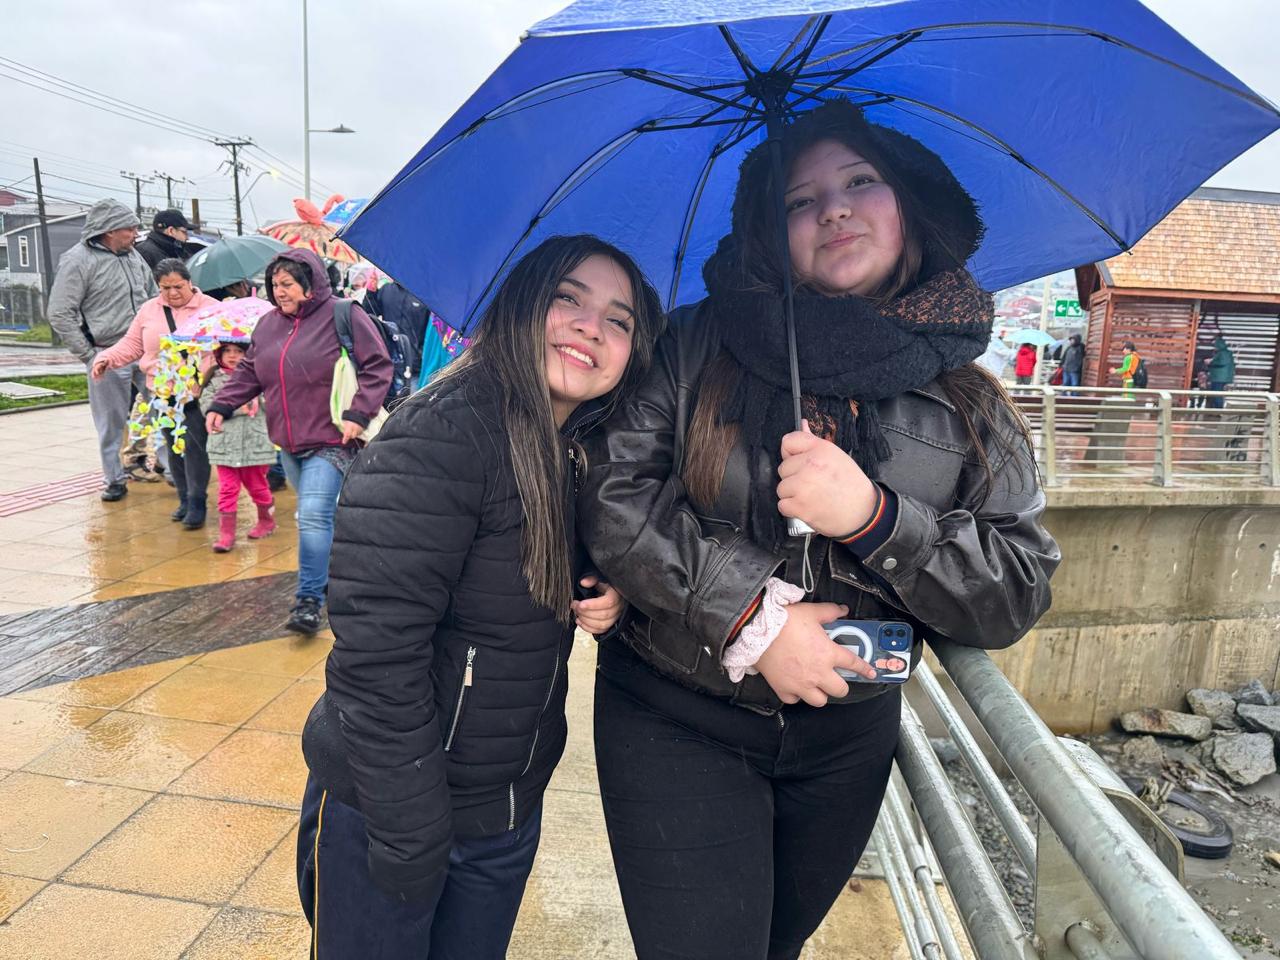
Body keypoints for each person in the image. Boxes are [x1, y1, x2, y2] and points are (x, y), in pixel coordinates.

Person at [579, 100, 1060, 960]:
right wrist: (751, 618)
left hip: (846, 739)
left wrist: (876, 518)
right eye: (800, 200)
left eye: (860, 182)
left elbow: (1015, 591)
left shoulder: (971, 400)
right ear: (772, 231)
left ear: (910, 203)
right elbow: (616, 496)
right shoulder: (693, 344)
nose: (833, 210)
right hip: (675, 713)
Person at [296, 235, 665, 959]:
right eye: (568, 298)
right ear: (522, 302)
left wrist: (609, 590)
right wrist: (410, 830)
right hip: (391, 809)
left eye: (619, 320)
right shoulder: (443, 433)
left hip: (501, 808)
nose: (591, 327)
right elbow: (376, 655)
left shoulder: (574, 447)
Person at [205, 250, 392, 634]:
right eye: (275, 285)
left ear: (310, 284)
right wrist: (223, 404)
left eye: (287, 284)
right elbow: (250, 370)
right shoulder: (268, 325)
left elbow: (378, 365)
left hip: (333, 437)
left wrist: (358, 414)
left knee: (311, 516)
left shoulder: (343, 314)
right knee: (323, 518)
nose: (279, 292)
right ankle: (342, 573)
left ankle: (308, 600)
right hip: (288, 443)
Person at [92, 259, 220, 526]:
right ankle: (184, 499)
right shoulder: (150, 310)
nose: (172, 293)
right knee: (173, 446)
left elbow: (226, 347)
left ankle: (197, 501)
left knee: (195, 447)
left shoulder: (211, 308)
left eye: (178, 287)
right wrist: (106, 359)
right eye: (165, 288)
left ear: (189, 283)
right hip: (162, 391)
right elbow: (132, 344)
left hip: (196, 391)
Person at [47, 199, 159, 501]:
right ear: (109, 230)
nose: (135, 234)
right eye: (130, 229)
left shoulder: (133, 255)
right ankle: (114, 479)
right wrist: (90, 355)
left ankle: (174, 471)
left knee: (165, 408)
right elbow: (59, 313)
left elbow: (153, 296)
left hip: (145, 351)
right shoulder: (78, 261)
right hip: (107, 353)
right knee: (111, 422)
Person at [199, 336, 278, 552]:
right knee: (227, 488)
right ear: (219, 354)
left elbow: (275, 404)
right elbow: (206, 406)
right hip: (224, 444)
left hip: (254, 444)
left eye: (239, 351)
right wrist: (232, 408)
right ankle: (226, 534)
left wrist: (260, 399)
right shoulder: (214, 380)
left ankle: (266, 520)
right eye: (227, 351)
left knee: (258, 486)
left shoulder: (261, 377)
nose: (232, 356)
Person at [1207, 334, 1236, 409]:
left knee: (1217, 394)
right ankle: (1215, 409)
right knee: (1216, 394)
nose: (1214, 347)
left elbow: (1222, 363)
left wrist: (1210, 363)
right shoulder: (1225, 353)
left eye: (1215, 345)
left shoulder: (1223, 353)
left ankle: (1218, 409)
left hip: (1219, 378)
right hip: (1220, 377)